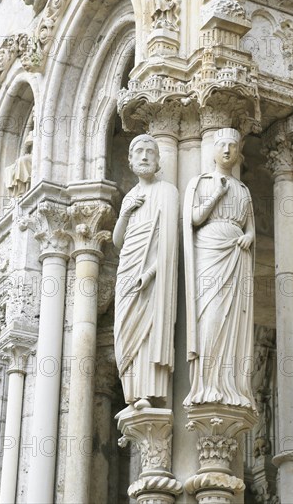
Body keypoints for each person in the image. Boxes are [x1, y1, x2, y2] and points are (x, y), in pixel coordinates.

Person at [183, 128, 256, 408]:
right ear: (213, 150)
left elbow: (250, 226)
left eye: (233, 147)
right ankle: (205, 384)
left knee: (233, 321)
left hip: (236, 255)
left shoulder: (244, 190)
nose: (227, 151)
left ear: (239, 153)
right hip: (209, 253)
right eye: (222, 145)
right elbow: (194, 218)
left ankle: (231, 385)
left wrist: (249, 236)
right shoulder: (200, 183)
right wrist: (216, 194)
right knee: (210, 317)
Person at [113, 134, 179, 410]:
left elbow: (170, 243)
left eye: (150, 152)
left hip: (151, 276)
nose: (144, 156)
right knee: (124, 331)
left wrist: (151, 273)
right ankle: (130, 393)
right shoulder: (129, 197)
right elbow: (118, 242)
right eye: (138, 152)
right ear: (129, 160)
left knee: (147, 329)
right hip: (127, 270)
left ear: (158, 159)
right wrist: (125, 213)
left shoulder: (167, 192)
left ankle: (147, 393)